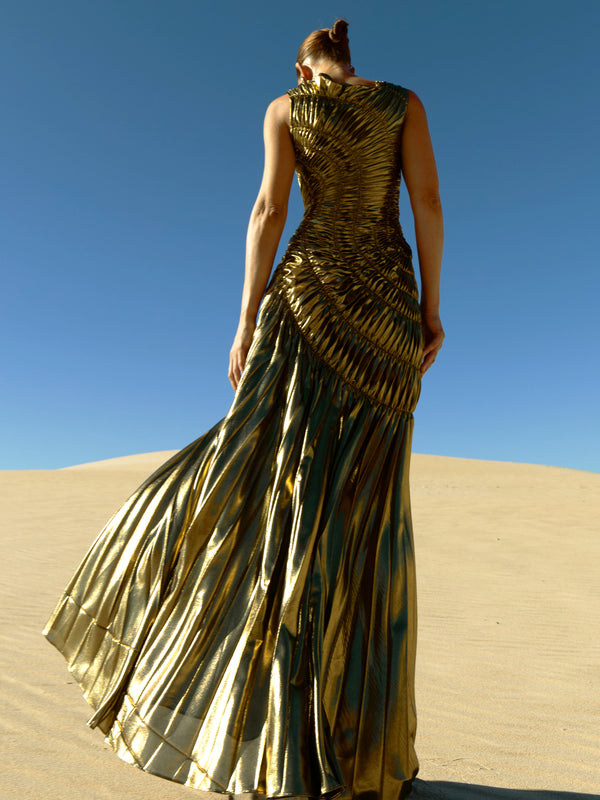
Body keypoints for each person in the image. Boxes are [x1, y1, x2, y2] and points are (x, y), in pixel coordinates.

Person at [43, 18, 444, 800]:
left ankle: (276, 740)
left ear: (304, 64)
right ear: (350, 59)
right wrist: (432, 307)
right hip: (388, 317)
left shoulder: (285, 107)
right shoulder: (405, 102)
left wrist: (245, 318)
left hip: (305, 300)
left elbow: (268, 211)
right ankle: (357, 753)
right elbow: (425, 198)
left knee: (270, 482)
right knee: (364, 520)